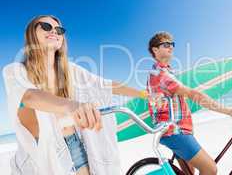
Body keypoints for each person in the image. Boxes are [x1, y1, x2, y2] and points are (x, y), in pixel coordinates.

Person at [2, 15, 146, 175]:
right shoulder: (15, 70)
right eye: (46, 26)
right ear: (31, 33)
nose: (54, 32)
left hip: (74, 143)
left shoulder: (70, 70)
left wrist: (144, 94)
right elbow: (28, 96)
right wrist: (72, 105)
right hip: (40, 153)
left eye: (59, 30)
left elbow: (105, 84)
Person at [147, 32, 232, 175]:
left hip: (176, 130)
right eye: (166, 44)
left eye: (172, 44)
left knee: (191, 172)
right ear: (155, 50)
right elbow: (194, 95)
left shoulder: (163, 73)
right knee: (210, 169)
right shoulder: (161, 75)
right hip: (175, 132)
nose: (171, 47)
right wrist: (229, 111)